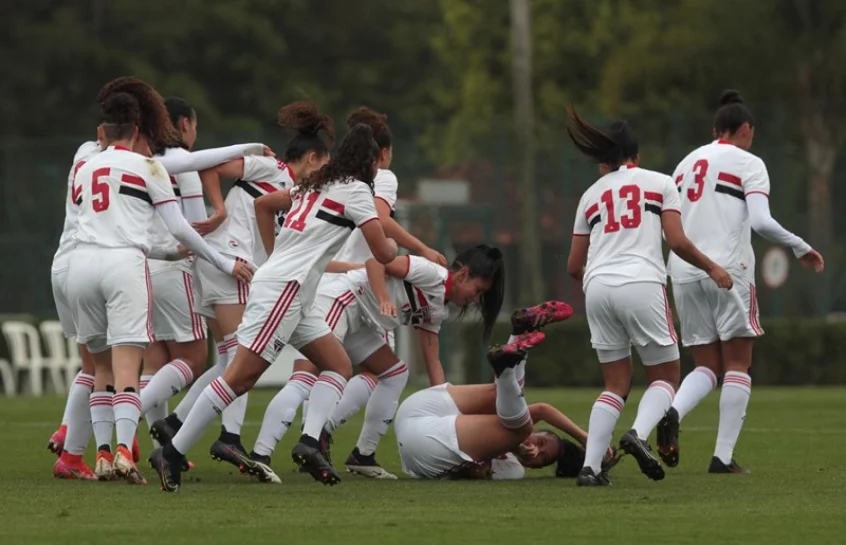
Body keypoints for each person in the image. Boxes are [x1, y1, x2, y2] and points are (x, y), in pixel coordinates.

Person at [149, 123, 398, 492]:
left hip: (296, 292)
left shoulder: (317, 183)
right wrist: (395, 249)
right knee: (239, 378)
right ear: (370, 161)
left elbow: (263, 205)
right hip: (285, 290)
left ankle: (311, 442)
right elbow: (382, 251)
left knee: (338, 365)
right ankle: (171, 451)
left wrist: (270, 256)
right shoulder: (358, 190)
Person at [51, 95, 270, 481]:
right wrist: (220, 261)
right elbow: (183, 221)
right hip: (123, 264)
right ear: (137, 132)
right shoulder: (147, 165)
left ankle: (98, 452)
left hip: (77, 264)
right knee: (131, 365)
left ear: (103, 131)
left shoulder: (83, 160)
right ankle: (123, 450)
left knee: (99, 364)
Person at [148, 102, 334, 468]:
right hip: (227, 261)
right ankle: (227, 438)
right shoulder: (273, 168)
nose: (325, 175)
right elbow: (212, 166)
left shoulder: (295, 192)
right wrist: (219, 209)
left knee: (229, 357)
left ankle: (175, 422)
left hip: (224, 266)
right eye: (324, 166)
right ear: (312, 158)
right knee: (242, 354)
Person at [656, 90, 824, 474]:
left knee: (706, 366)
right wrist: (800, 247)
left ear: (716, 129)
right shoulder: (749, 162)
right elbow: (762, 222)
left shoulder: (684, 165)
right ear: (745, 129)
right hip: (727, 271)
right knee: (737, 365)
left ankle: (673, 412)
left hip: (682, 271)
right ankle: (723, 458)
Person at [565, 107, 733, 487]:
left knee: (614, 384)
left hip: (597, 287)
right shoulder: (659, 183)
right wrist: (712, 267)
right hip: (642, 282)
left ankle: (590, 468)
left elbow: (574, 265)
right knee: (666, 376)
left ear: (605, 162)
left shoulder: (589, 196)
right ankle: (638, 434)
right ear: (636, 157)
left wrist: (596, 287)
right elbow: (675, 241)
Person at [243, 246, 506, 483]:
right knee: (307, 376)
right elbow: (375, 262)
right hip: (341, 299)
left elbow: (432, 360)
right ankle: (264, 453)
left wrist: (446, 409)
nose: (476, 298)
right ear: (463, 275)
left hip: (360, 322)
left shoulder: (440, 309)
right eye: (478, 290)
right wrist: (383, 298)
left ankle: (362, 456)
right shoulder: (432, 273)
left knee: (394, 373)